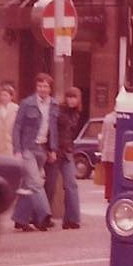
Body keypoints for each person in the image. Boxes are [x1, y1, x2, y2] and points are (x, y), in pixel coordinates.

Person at [11, 73, 57, 232]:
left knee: (28, 185)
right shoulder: (27, 103)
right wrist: (17, 149)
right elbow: (17, 127)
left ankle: (20, 219)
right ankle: (45, 216)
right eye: (40, 86)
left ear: (50, 88)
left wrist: (52, 149)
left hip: (42, 149)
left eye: (45, 86)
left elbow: (53, 130)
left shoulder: (53, 105)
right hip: (28, 148)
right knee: (36, 183)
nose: (42, 89)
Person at [44, 86, 84, 229]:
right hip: (55, 151)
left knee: (71, 185)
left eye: (74, 97)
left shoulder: (76, 114)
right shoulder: (58, 111)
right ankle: (41, 217)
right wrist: (50, 149)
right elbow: (51, 131)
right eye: (69, 97)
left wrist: (71, 149)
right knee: (50, 185)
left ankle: (72, 219)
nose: (71, 100)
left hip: (67, 152)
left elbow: (70, 134)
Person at [99, 103, 118, 202]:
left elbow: (103, 136)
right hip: (117, 153)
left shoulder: (107, 118)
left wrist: (101, 149)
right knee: (116, 176)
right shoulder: (124, 118)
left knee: (109, 176)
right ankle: (114, 194)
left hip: (107, 152)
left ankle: (108, 195)